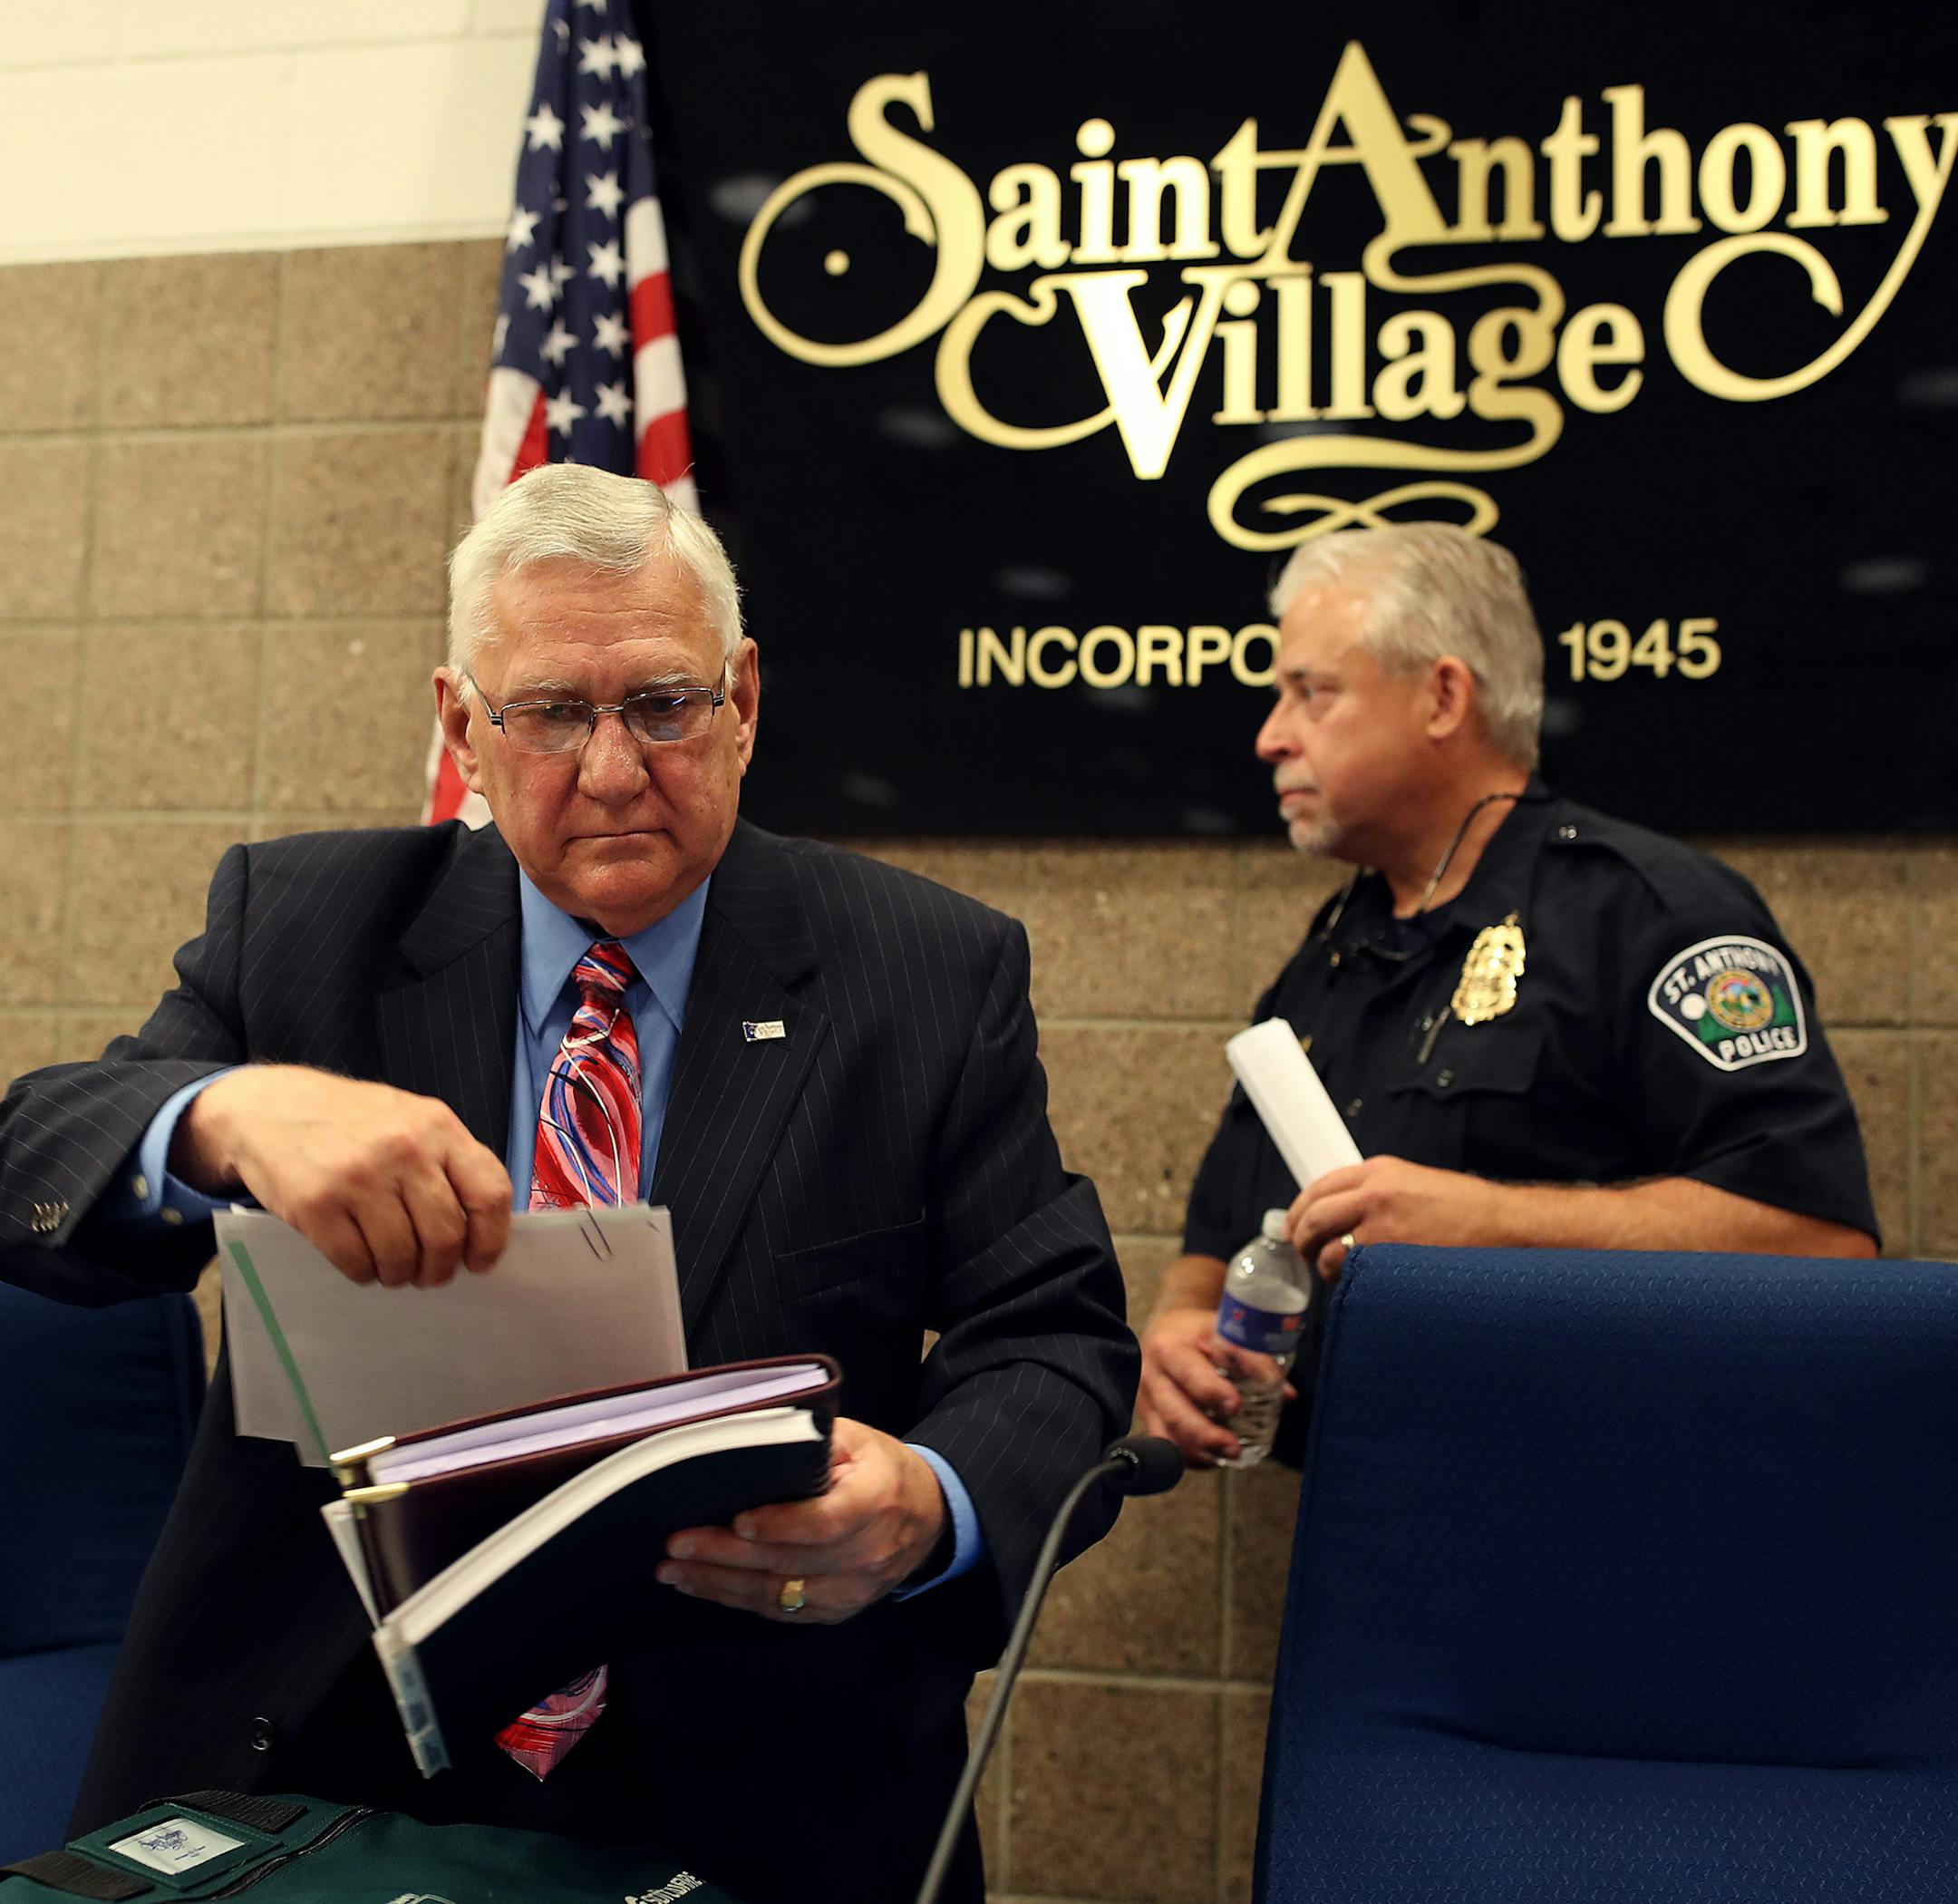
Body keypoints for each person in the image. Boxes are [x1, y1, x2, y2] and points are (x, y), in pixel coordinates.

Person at [0, 464, 1137, 1904]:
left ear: (745, 702)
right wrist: (223, 1112)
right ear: (461, 728)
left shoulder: (923, 970)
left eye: (663, 704)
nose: (612, 769)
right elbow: (32, 1163)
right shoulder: (303, 928)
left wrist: (930, 1499)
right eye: (548, 714)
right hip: (313, 1751)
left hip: (767, 1772)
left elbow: (1055, 1333)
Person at [1139, 523, 1876, 1469]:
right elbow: (1220, 1224)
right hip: (1364, 1511)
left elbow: (1819, 1240)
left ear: (1443, 697)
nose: (1270, 736)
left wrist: (1492, 1224)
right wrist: (1181, 1320)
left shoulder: (1650, 915)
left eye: (1311, 695)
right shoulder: (1333, 944)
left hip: (1599, 1515)